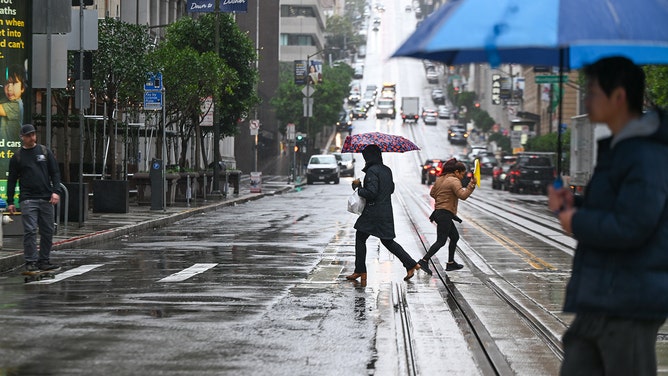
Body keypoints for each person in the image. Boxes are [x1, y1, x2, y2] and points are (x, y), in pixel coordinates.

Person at [548, 56, 668, 376]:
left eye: (592, 92)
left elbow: (633, 225)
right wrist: (571, 204)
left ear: (618, 97)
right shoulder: (621, 148)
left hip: (627, 301)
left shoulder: (646, 153)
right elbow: (615, 209)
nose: (586, 99)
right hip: (601, 296)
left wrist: (575, 221)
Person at [345, 145, 421, 284]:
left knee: (360, 237)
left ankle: (361, 270)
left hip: (373, 212)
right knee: (387, 241)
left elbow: (372, 193)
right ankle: (410, 264)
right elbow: (390, 189)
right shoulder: (387, 170)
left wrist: (358, 188)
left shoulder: (372, 171)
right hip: (385, 211)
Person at [7, 124, 62, 272]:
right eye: (28, 135)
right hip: (27, 198)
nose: (32, 137)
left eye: (33, 134)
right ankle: (30, 261)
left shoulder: (45, 152)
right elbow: (12, 179)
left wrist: (56, 191)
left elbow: (55, 172)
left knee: (48, 230)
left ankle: (44, 260)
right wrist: (10, 201)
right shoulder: (17, 157)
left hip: (46, 197)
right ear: (22, 137)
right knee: (30, 230)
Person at [418, 159, 476, 275]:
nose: (462, 177)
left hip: (441, 213)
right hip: (444, 214)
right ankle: (424, 260)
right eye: (462, 174)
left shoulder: (441, 179)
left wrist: (443, 198)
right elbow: (463, 195)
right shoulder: (454, 181)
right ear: (457, 171)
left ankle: (450, 263)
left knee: (454, 237)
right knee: (441, 241)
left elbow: (432, 193)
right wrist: (471, 184)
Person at [0, 64, 26, 141]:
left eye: (14, 83)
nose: (9, 88)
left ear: (23, 88)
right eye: (6, 84)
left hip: (10, 147)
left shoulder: (16, 105)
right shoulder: (6, 100)